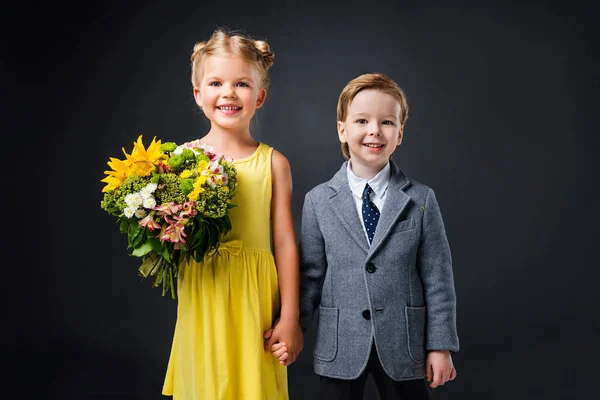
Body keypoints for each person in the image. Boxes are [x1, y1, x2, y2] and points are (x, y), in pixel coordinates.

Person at [297, 73, 459, 400]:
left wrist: (440, 346)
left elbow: (437, 277)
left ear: (399, 133)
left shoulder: (421, 199)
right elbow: (310, 276)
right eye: (362, 120)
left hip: (404, 344)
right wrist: (292, 330)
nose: (374, 130)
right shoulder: (317, 201)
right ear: (342, 130)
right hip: (341, 345)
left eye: (386, 122)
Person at [161, 28, 303, 400]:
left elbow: (285, 243)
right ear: (198, 93)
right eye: (216, 82)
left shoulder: (274, 164)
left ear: (260, 96)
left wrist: (290, 317)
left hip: (254, 297)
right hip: (204, 292)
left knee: (254, 385)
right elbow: (168, 231)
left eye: (241, 83)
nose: (228, 93)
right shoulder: (179, 162)